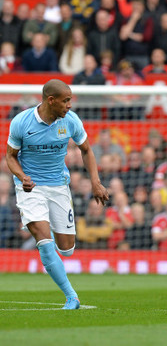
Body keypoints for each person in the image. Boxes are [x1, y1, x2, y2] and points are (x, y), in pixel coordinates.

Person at [6, 79, 110, 309]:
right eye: (65, 101)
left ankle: (50, 233)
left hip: (58, 187)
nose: (69, 105)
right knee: (44, 241)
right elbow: (10, 156)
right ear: (50, 101)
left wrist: (96, 182)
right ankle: (71, 296)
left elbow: (86, 150)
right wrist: (22, 176)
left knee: (67, 249)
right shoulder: (21, 122)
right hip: (30, 187)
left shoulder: (71, 121)